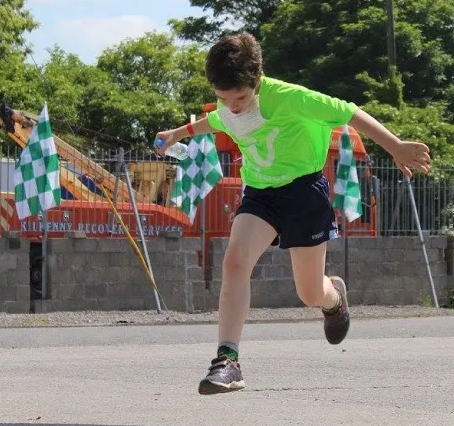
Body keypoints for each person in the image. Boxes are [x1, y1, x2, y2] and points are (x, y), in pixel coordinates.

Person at [154, 32, 432, 395]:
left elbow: (349, 111)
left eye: (239, 98)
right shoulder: (229, 106)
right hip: (260, 195)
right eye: (223, 98)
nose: (233, 106)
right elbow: (217, 121)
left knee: (308, 292)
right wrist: (178, 133)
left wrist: (395, 147)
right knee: (235, 262)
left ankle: (333, 298)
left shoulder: (293, 98)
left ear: (257, 80)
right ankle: (228, 360)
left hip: (305, 193)